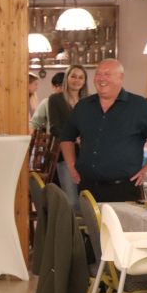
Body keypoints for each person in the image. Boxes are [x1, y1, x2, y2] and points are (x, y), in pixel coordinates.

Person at [60, 59, 147, 202]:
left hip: (123, 189)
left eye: (107, 74)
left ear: (120, 78)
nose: (101, 78)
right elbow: (66, 136)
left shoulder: (139, 106)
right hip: (87, 188)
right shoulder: (83, 106)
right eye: (98, 74)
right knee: (87, 218)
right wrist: (71, 166)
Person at [48, 65, 88, 208]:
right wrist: (73, 138)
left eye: (81, 77)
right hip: (65, 155)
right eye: (73, 76)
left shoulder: (89, 101)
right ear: (67, 78)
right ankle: (71, 223)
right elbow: (54, 128)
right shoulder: (55, 99)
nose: (77, 80)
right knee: (71, 200)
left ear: (84, 81)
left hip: (87, 156)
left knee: (86, 199)